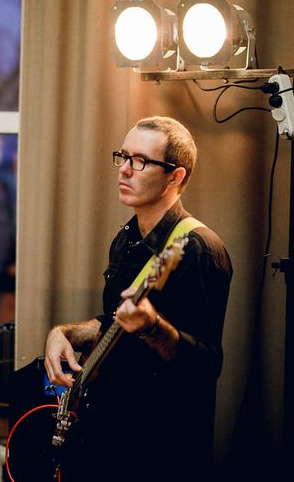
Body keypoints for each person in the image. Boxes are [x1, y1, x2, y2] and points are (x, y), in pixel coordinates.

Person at [43, 116, 232, 481]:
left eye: (141, 161)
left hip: (158, 449)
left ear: (175, 177)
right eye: (123, 156)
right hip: (105, 435)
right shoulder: (126, 239)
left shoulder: (199, 249)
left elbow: (206, 364)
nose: (125, 170)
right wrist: (63, 333)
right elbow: (113, 321)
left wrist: (151, 327)